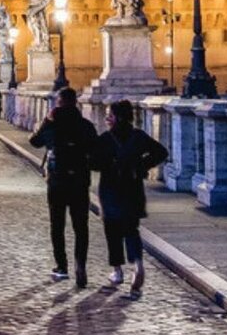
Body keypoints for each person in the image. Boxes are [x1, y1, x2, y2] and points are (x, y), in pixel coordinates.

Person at [90, 100, 169, 299]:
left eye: (110, 115)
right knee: (131, 229)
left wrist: (106, 163)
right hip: (133, 188)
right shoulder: (138, 136)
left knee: (112, 230)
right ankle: (137, 263)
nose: (107, 118)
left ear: (118, 118)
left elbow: (94, 163)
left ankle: (117, 271)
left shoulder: (106, 139)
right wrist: (141, 165)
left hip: (110, 189)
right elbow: (161, 152)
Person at [30, 87, 99, 286]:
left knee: (57, 225)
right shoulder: (85, 125)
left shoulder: (53, 125)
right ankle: (80, 265)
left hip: (57, 179)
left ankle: (62, 266)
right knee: (81, 226)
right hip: (79, 179)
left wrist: (46, 121)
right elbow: (95, 150)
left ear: (59, 103)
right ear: (75, 103)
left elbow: (34, 141)